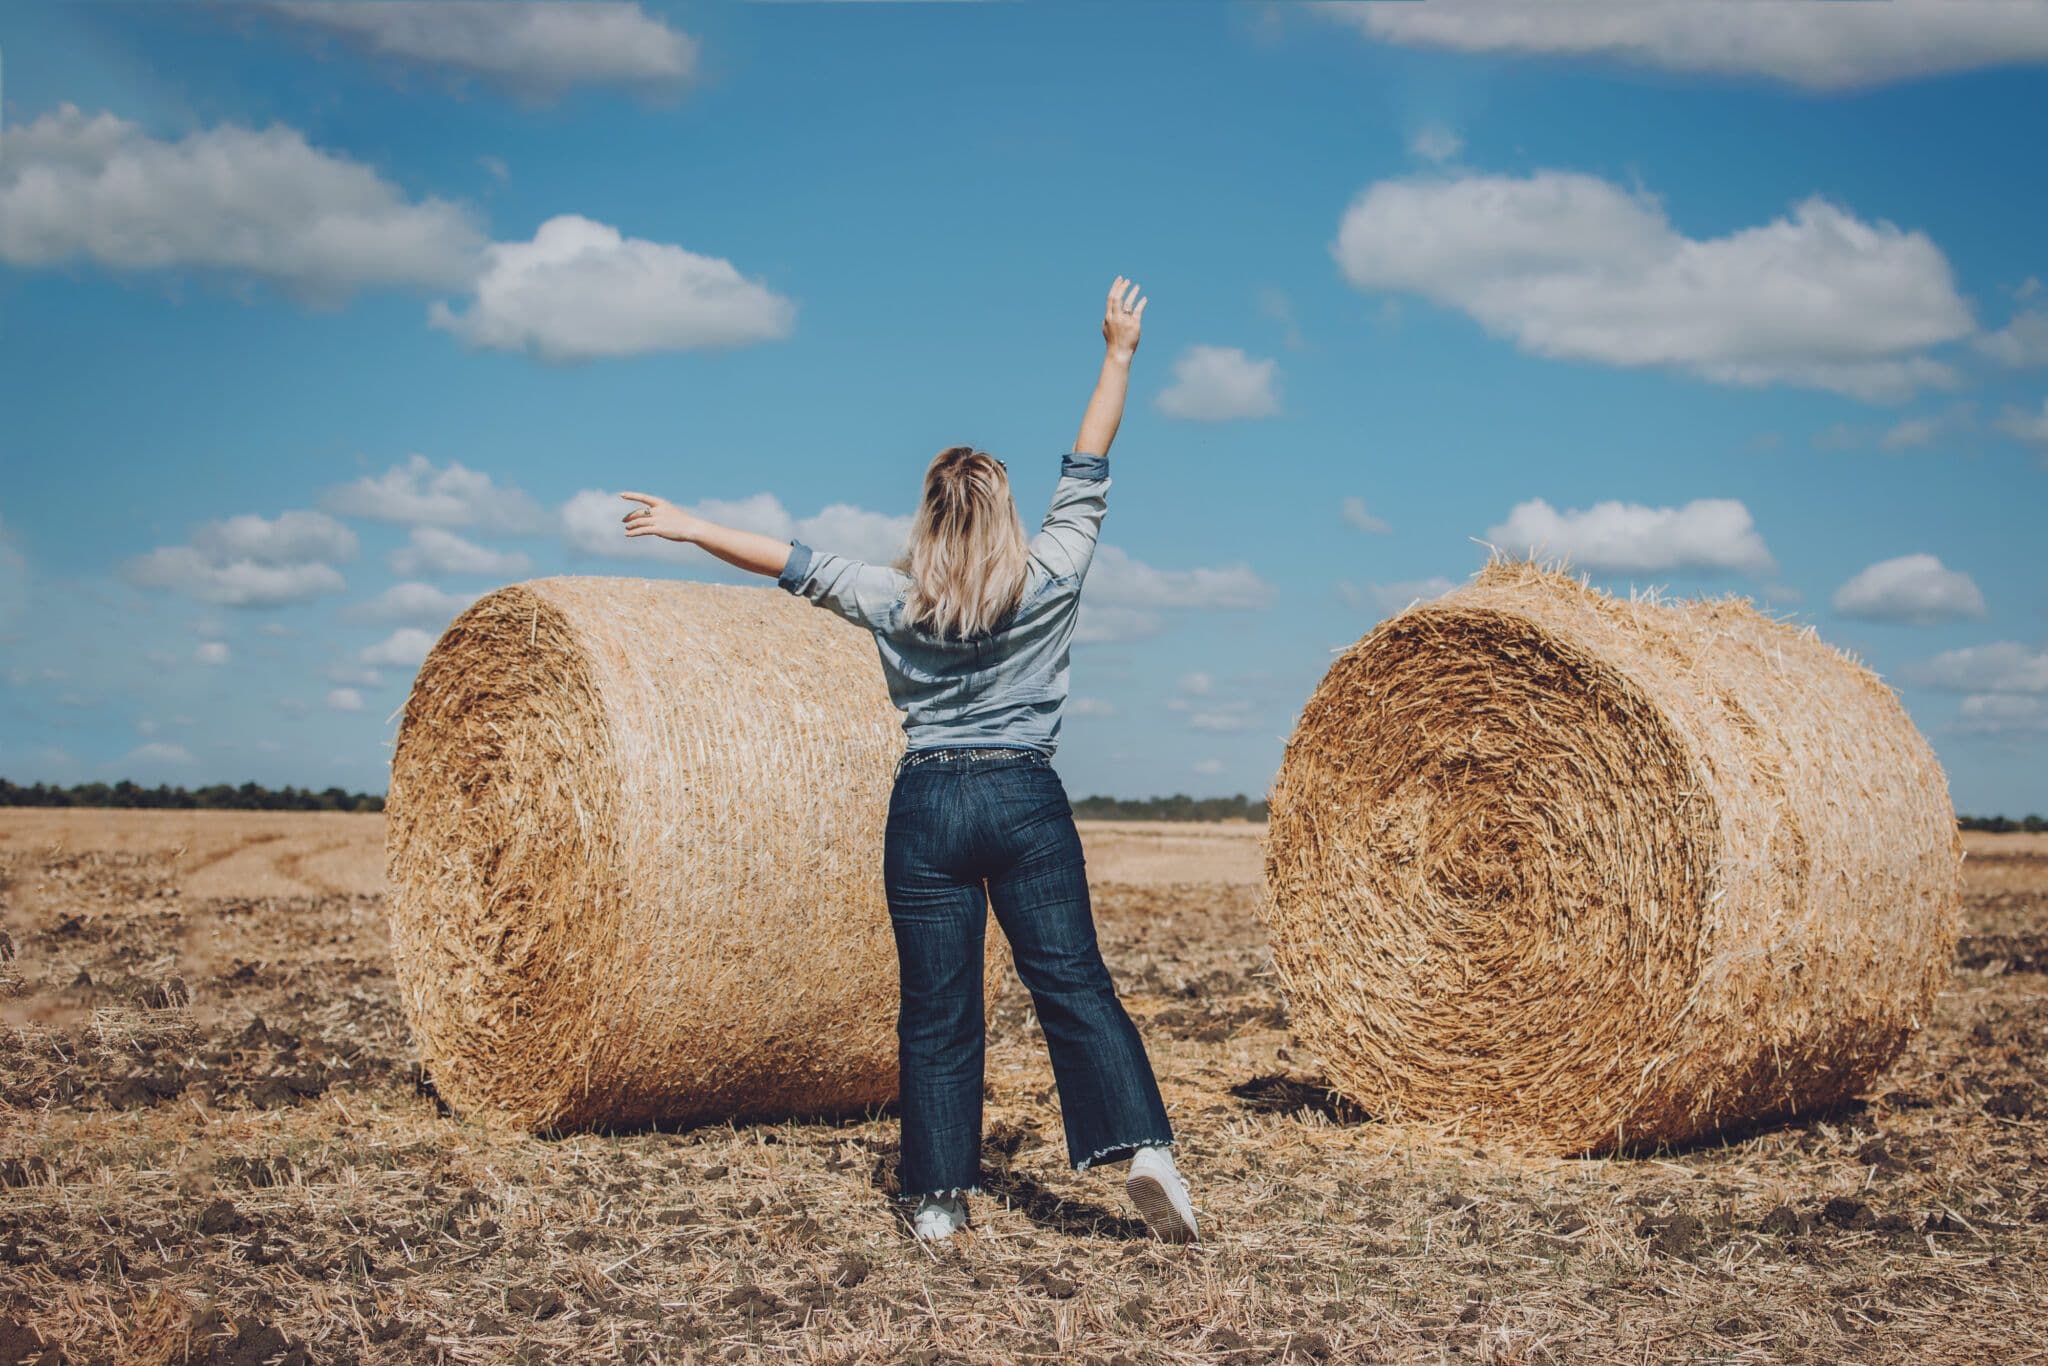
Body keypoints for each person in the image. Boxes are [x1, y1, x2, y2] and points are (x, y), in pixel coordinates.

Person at [615, 276, 1196, 1245]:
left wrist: (687, 523)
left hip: (924, 801)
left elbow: (787, 559)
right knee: (1072, 983)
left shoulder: (891, 598)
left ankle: (934, 1199)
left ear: (927, 520)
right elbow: (1087, 458)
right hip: (1022, 793)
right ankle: (1140, 1147)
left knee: (936, 1008)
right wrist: (1118, 353)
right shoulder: (1050, 569)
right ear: (1002, 515)